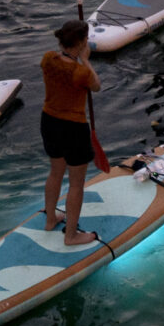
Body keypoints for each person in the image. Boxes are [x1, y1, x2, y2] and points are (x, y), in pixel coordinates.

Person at [38, 22, 103, 245]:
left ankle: (50, 220)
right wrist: (85, 59)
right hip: (73, 128)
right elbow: (96, 86)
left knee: (55, 172)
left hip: (49, 122)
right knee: (76, 184)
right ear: (83, 42)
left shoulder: (48, 59)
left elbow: (61, 65)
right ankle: (71, 235)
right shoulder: (81, 72)